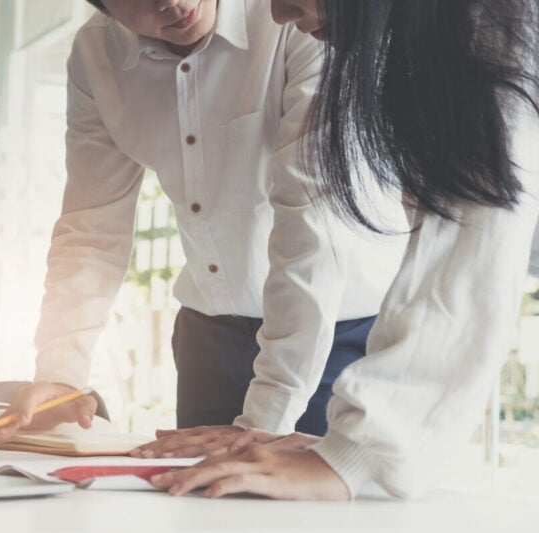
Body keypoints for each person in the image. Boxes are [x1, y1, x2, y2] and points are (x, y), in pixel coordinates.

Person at [147, 0, 539, 500]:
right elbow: (440, 240)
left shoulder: (491, 20)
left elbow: (470, 243)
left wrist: (355, 455)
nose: (280, 13)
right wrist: (342, 448)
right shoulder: (425, 51)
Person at [0, 0, 407, 445]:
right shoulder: (95, 57)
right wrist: (61, 372)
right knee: (197, 506)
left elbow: (314, 224)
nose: (169, 2)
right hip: (211, 340)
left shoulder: (300, 18)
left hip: (343, 333)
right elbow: (93, 226)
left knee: (332, 508)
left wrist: (264, 422)